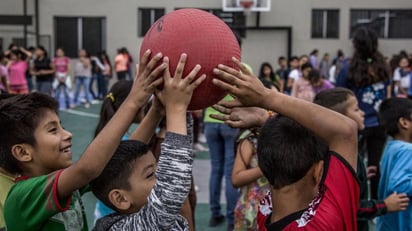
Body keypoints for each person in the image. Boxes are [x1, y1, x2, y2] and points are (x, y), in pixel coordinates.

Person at [2, 49, 166, 230]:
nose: (67, 134)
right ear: (23, 152)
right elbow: (87, 169)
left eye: (61, 126)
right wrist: (134, 100)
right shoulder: (22, 197)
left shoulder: (66, 183)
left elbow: (124, 158)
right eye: (53, 130)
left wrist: (156, 111)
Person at [211, 56, 359, 230]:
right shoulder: (325, 222)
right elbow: (346, 131)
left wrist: (266, 118)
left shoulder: (265, 211)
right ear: (318, 172)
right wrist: (266, 98)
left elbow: (283, 142)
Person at [91, 53, 205, 231]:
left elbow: (178, 164)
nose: (162, 177)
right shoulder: (124, 227)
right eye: (151, 175)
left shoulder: (145, 215)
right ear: (120, 199)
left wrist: (172, 108)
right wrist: (177, 108)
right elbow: (171, 190)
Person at [313, 88, 409, 231]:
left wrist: (360, 176)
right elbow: (345, 207)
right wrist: (384, 205)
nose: (363, 113)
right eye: (357, 109)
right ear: (340, 119)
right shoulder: (336, 156)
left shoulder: (346, 148)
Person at [336, 27, 391, 200]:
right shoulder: (384, 66)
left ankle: (356, 202)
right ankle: (375, 201)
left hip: (356, 123)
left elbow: (339, 95)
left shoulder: (348, 68)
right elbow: (388, 91)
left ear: (355, 45)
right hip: (379, 123)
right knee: (375, 166)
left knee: (353, 166)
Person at [377, 98, 412, 230]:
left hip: (388, 224)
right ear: (404, 122)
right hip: (403, 224)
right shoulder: (407, 150)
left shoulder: (391, 147)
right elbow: (398, 184)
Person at [232, 128, 271, 231]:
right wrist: (266, 167)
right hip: (252, 210)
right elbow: (236, 178)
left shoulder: (282, 135)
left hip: (275, 209)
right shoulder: (250, 139)